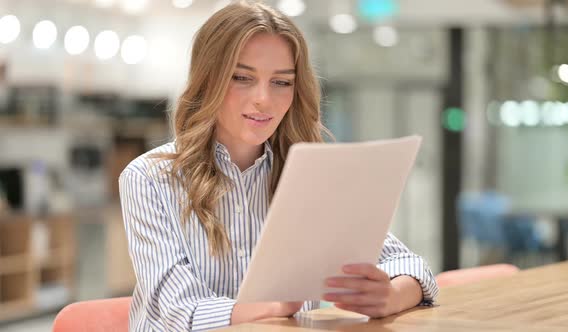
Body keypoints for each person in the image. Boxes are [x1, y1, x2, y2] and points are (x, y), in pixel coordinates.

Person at [118, 1, 439, 331]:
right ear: (208, 80)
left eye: (281, 82)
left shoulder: (312, 177)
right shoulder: (149, 179)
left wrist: (392, 294)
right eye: (242, 78)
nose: (264, 99)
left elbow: (411, 264)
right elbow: (178, 310)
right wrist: (271, 304)